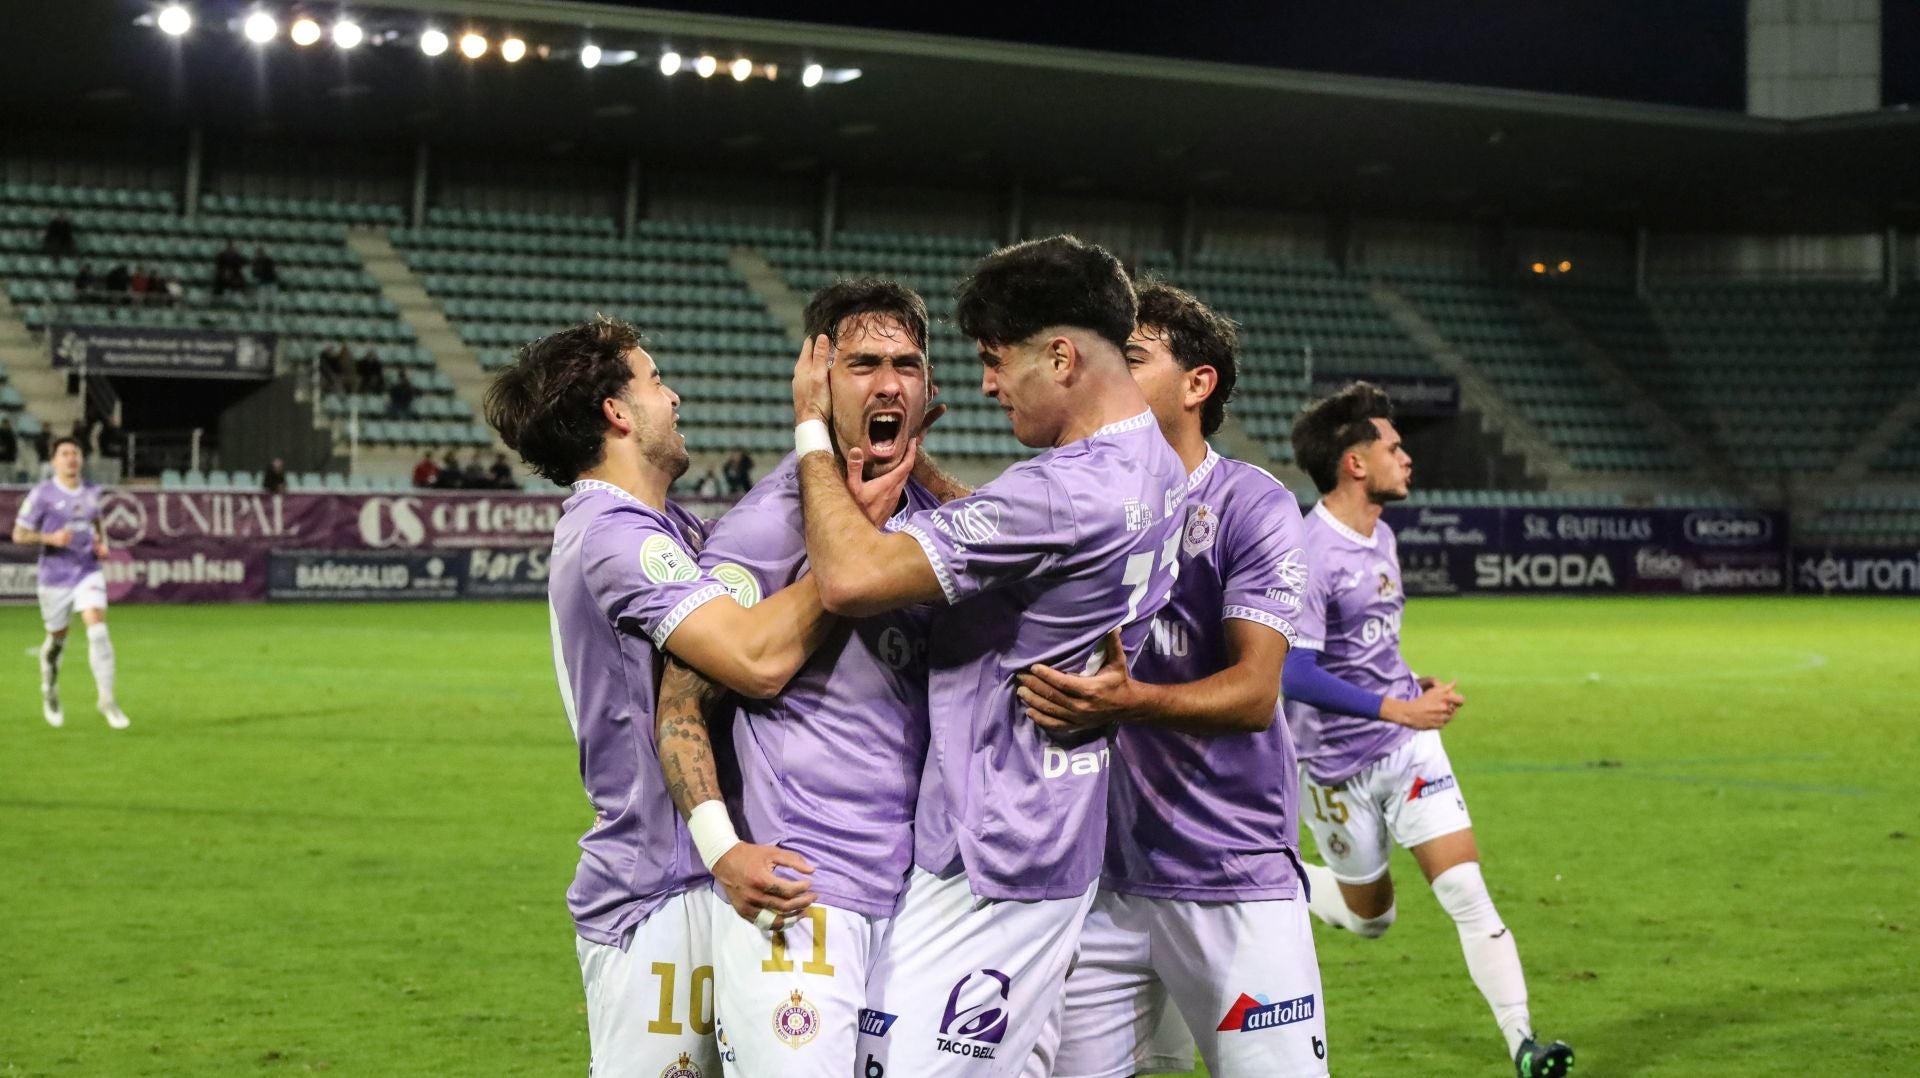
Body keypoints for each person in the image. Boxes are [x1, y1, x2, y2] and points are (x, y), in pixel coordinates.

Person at [777, 236, 1186, 1075]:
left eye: (997, 362)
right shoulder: (1155, 462)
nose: (989, 385)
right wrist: (917, 460)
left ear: (1061, 356)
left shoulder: (1062, 489)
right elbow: (1027, 543)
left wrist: (813, 430)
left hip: (994, 850)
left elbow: (852, 578)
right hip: (1051, 829)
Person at [483, 315, 856, 1077]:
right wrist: (852, 568)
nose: (674, 396)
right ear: (617, 412)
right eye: (655, 380)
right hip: (657, 886)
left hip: (706, 868)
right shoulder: (617, 536)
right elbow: (754, 657)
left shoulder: (668, 526)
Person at [649, 280, 962, 1076]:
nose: (889, 382)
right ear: (817, 381)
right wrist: (724, 853)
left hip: (919, 898)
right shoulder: (766, 524)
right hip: (801, 896)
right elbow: (681, 708)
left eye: (907, 364)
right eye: (863, 363)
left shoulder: (940, 523)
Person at [1041, 281, 1326, 1077]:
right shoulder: (1081, 496)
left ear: (1198, 384)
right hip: (1101, 882)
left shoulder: (1250, 506)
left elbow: (1255, 692)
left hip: (1231, 876)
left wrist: (1132, 703)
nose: (1109, 377)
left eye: (1132, 358)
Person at [1284, 382, 1574, 1078]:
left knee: (1465, 891)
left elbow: (1372, 651)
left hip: (1407, 747)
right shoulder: (1308, 553)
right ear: (1355, 463)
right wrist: (1395, 707)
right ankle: (1283, 876)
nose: (1407, 458)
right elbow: (1292, 673)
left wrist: (1410, 687)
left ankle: (1524, 1045)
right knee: (1369, 919)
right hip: (1331, 768)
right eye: (1393, 446)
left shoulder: (1380, 533)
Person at [12, 437, 128, 730]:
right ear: (54, 461)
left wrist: (101, 542)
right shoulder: (42, 495)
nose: (71, 458)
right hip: (54, 577)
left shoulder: (92, 491)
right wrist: (49, 538)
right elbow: (19, 534)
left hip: (87, 570)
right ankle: (49, 688)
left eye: (75, 453)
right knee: (56, 641)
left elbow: (96, 521)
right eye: (64, 454)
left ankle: (107, 700)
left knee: (98, 628)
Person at [252, 246, 279, 311]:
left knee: (274, 298)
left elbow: (274, 270)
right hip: (262, 282)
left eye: (260, 252)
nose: (259, 254)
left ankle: (276, 311)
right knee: (261, 299)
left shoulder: (268, 260)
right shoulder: (256, 262)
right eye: (258, 253)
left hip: (271, 281)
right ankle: (261, 311)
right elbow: (254, 274)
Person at [0, 417, 18, 482]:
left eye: (7, 424)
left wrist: (14, 456)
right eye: (4, 424)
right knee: (2, 476)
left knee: (11, 477)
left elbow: (14, 447)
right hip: (2, 459)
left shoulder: (12, 434)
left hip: (11, 459)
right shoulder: (1, 434)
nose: (6, 425)